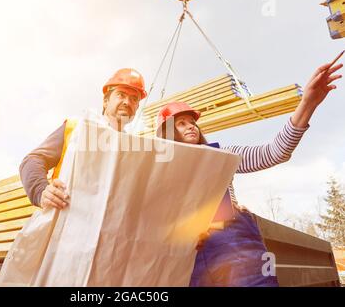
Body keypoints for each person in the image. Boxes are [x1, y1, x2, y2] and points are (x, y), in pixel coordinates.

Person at [155, 59, 343, 287]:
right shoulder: (158, 171)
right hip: (189, 253)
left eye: (193, 122)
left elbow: (274, 153)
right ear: (167, 133)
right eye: (182, 123)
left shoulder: (223, 155)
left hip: (234, 243)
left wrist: (307, 103)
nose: (191, 126)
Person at [19, 68, 147, 210]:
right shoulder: (77, 127)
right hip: (65, 218)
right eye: (121, 95)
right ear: (105, 101)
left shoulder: (132, 149)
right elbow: (32, 160)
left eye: (134, 99)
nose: (127, 102)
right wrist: (41, 191)